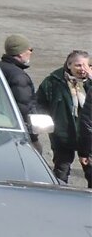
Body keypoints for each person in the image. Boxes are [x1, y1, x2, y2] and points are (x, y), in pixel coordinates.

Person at [36, 50, 92, 185]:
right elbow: (39, 103)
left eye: (87, 65)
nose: (82, 69)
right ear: (69, 65)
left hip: (88, 136)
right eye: (78, 65)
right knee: (61, 170)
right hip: (63, 134)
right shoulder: (53, 82)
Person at [0, 34, 39, 145]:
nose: (30, 53)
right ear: (21, 53)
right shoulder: (19, 76)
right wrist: (32, 134)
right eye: (30, 49)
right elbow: (24, 107)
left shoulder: (0, 67)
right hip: (17, 132)